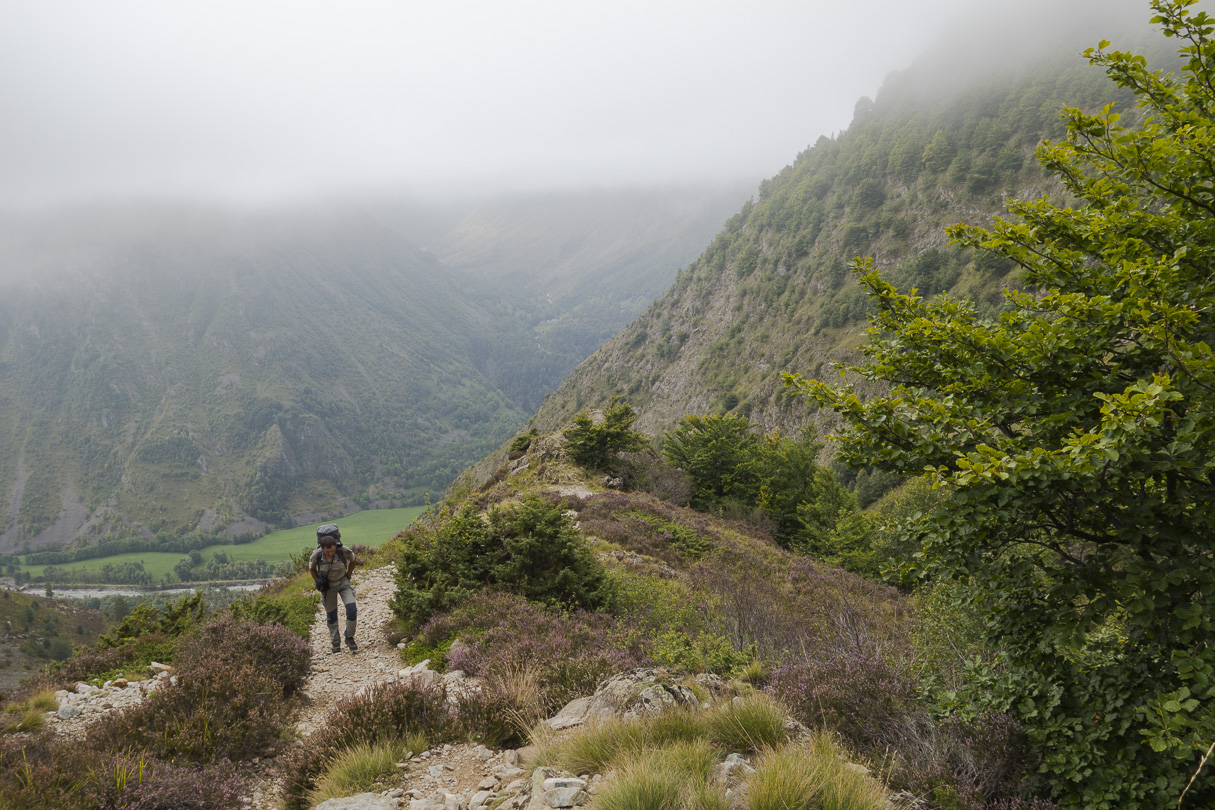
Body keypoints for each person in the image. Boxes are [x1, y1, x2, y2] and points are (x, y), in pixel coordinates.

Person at [309, 524, 358, 653]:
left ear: (336, 546)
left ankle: (349, 636)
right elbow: (311, 568)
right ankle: (335, 642)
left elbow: (353, 560)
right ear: (322, 548)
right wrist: (318, 581)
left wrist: (348, 575)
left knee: (352, 610)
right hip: (328, 587)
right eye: (327, 552)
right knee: (331, 615)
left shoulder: (343, 550)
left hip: (343, 583)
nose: (330, 553)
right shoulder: (316, 555)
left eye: (332, 550)